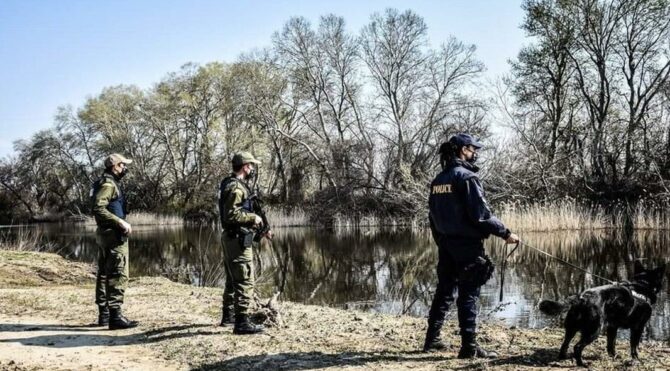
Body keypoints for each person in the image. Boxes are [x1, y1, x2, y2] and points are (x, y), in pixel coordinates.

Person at [423, 133, 519, 358]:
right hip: (467, 246)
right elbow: (481, 216)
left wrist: (442, 242)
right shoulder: (466, 178)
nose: (475, 152)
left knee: (444, 292)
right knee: (469, 293)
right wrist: (505, 233)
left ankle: (432, 340)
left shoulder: (438, 180)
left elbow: (433, 217)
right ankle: (469, 348)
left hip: (446, 245)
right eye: (471, 148)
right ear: (460, 150)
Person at [218, 152, 272, 335]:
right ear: (245, 166)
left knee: (233, 280)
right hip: (237, 240)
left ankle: (229, 316)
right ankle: (241, 322)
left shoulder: (234, 184)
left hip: (233, 238)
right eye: (251, 165)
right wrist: (252, 217)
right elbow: (231, 215)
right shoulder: (235, 188)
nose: (253, 169)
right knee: (244, 279)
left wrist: (262, 225)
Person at [91, 153, 138, 330]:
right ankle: (115, 317)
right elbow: (98, 208)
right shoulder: (109, 184)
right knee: (118, 274)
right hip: (113, 236)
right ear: (115, 166)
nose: (125, 168)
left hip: (104, 234)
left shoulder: (102, 182)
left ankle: (104, 315)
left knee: (103, 274)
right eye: (123, 165)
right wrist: (120, 221)